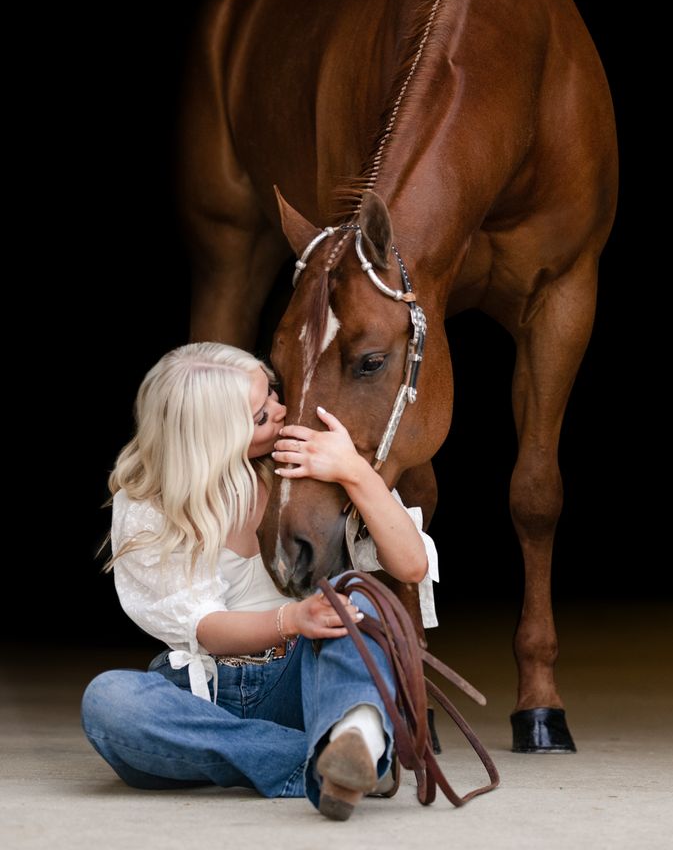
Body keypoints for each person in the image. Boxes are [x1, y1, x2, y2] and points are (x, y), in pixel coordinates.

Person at [81, 342, 439, 821]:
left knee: (357, 596)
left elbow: (411, 566)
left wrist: (355, 472)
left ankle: (354, 731)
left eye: (272, 393)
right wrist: (292, 617)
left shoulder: (304, 469)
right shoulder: (148, 504)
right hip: (205, 692)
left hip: (304, 680)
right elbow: (204, 626)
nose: (284, 410)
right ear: (214, 435)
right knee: (109, 703)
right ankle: (335, 758)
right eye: (260, 415)